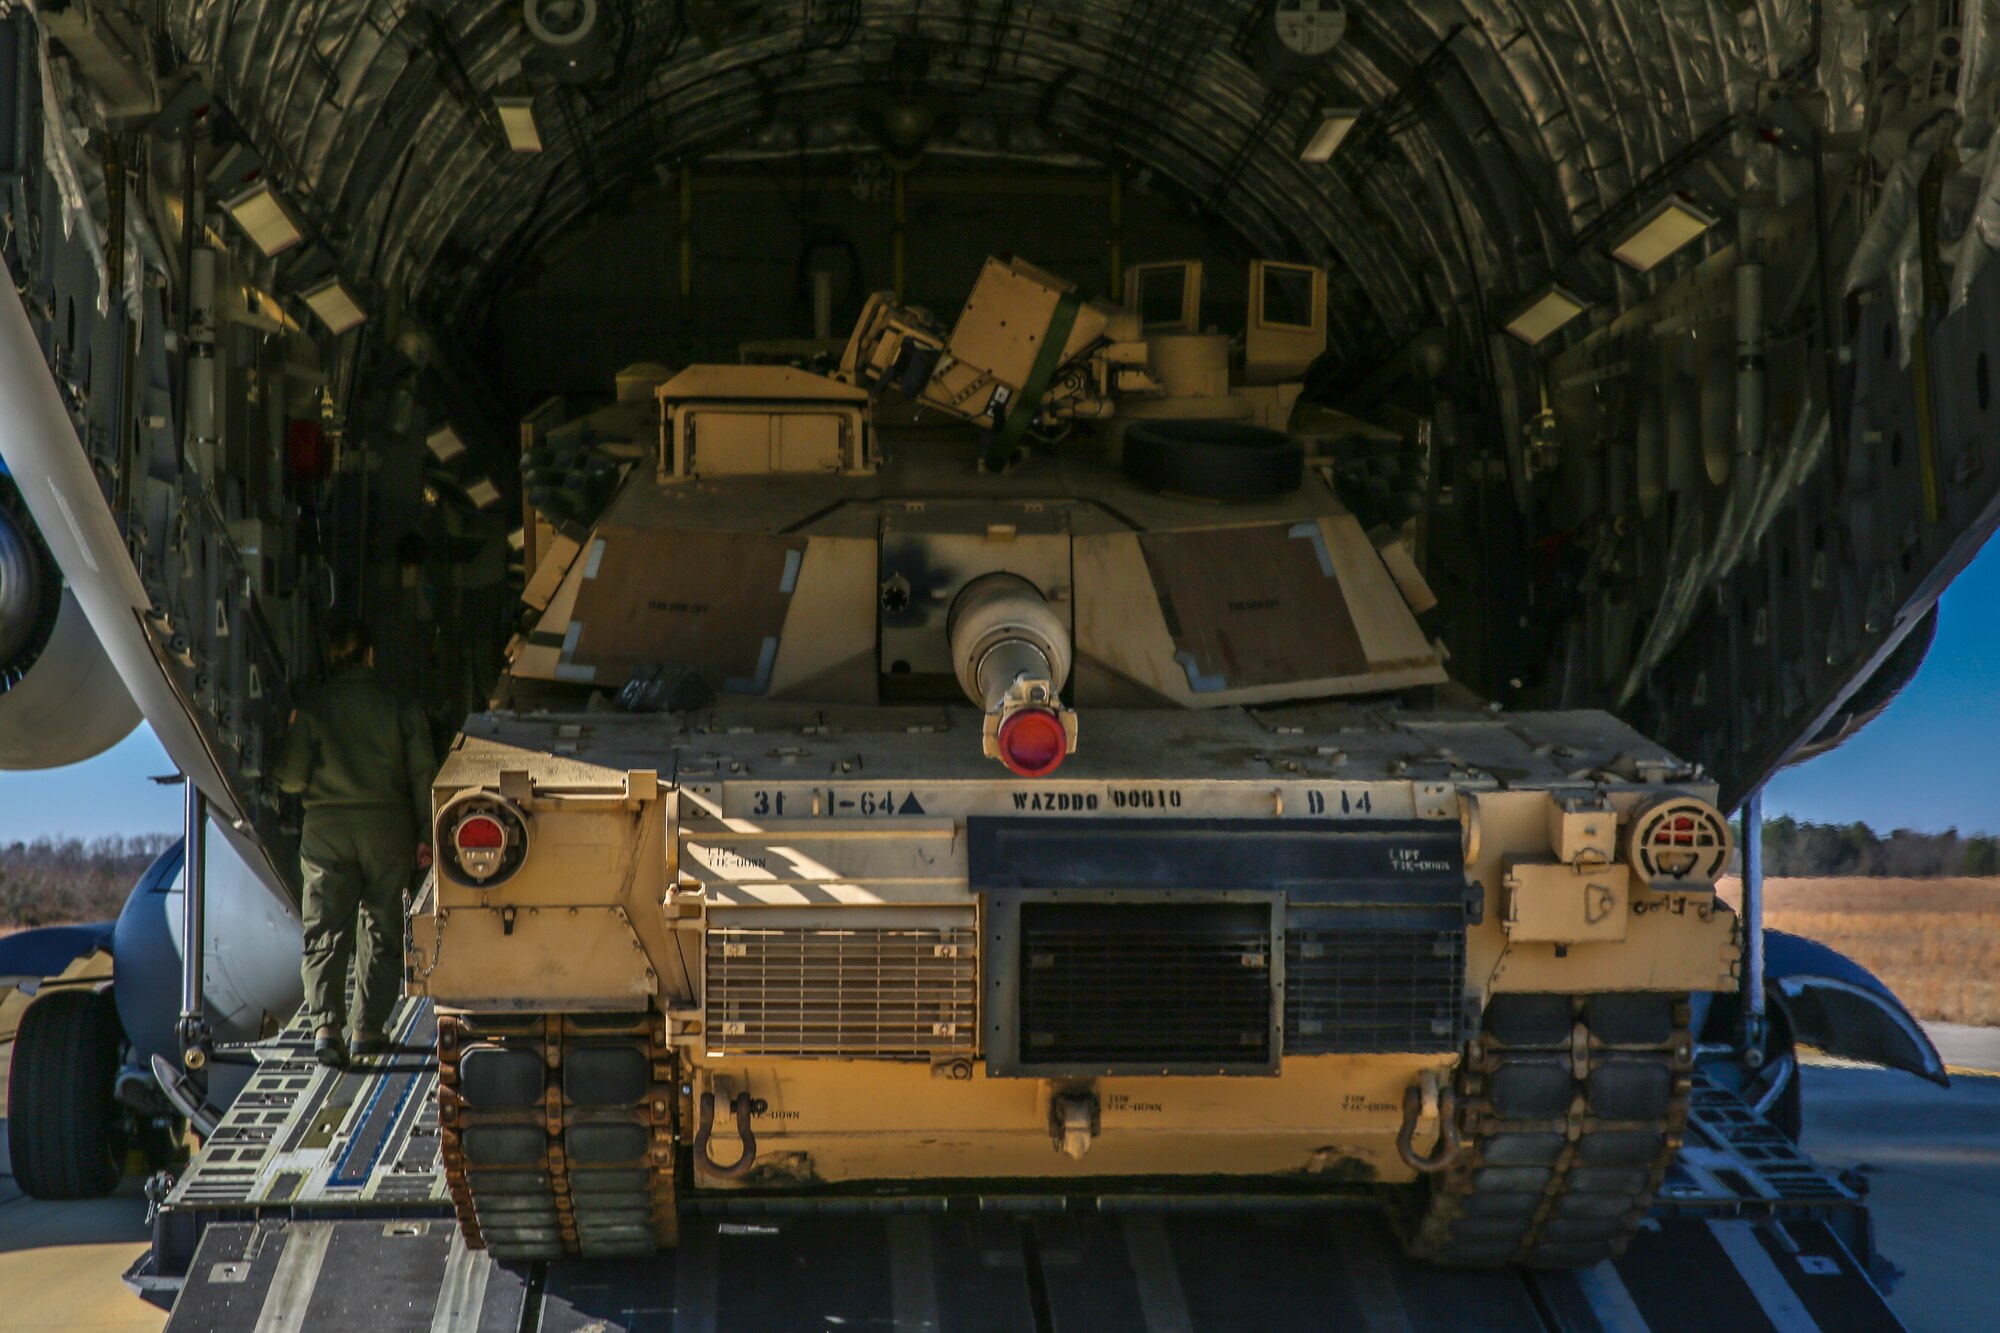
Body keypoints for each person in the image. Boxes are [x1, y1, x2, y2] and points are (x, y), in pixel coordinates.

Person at [275, 621, 435, 1067]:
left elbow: (291, 779)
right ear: (370, 655)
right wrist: (426, 834)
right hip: (389, 829)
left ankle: (326, 1027)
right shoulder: (399, 704)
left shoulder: (314, 706)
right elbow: (423, 773)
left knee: (325, 928)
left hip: (327, 829)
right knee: (381, 927)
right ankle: (368, 1029)